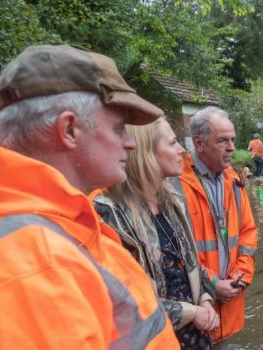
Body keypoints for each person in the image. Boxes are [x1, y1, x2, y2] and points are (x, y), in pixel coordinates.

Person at [0, 44, 178, 348]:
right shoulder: (29, 265)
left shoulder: (58, 227)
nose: (131, 143)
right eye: (119, 129)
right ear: (69, 129)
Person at [93, 117, 220, 349]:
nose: (182, 150)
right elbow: (125, 302)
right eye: (172, 143)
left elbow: (191, 265)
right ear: (146, 154)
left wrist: (205, 298)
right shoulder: (110, 215)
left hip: (197, 339)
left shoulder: (172, 203)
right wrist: (191, 313)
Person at [178, 107, 258, 344]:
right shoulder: (174, 183)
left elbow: (248, 233)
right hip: (195, 317)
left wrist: (240, 278)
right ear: (199, 143)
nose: (232, 147)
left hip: (230, 309)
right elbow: (176, 251)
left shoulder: (234, 179)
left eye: (232, 139)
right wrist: (213, 284)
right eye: (223, 140)